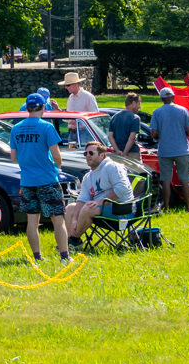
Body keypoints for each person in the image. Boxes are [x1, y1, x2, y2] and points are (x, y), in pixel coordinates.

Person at [8, 93, 72, 263]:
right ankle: (64, 257)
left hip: (27, 181)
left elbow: (13, 157)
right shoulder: (47, 127)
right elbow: (56, 154)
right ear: (43, 107)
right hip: (47, 179)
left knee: (32, 220)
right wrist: (58, 166)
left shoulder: (16, 128)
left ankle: (37, 257)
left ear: (27, 108)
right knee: (58, 218)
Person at [64, 142, 134, 242]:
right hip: (101, 210)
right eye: (85, 153)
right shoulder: (88, 177)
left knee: (88, 207)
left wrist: (100, 202)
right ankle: (72, 242)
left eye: (91, 153)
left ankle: (74, 239)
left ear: (102, 155)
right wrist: (74, 219)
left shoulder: (112, 166)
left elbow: (122, 188)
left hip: (122, 210)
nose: (87, 156)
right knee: (70, 208)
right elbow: (82, 199)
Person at [148, 86, 189, 213]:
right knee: (185, 180)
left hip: (165, 151)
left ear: (161, 98)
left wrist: (159, 137)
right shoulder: (183, 110)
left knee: (166, 181)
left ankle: (167, 208)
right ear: (173, 97)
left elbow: (154, 132)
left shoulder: (157, 112)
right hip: (182, 150)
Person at [109, 92, 145, 162]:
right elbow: (132, 138)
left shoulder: (114, 117)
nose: (139, 107)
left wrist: (117, 151)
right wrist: (125, 153)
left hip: (117, 153)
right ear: (133, 103)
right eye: (139, 104)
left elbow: (110, 136)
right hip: (132, 153)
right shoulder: (135, 118)